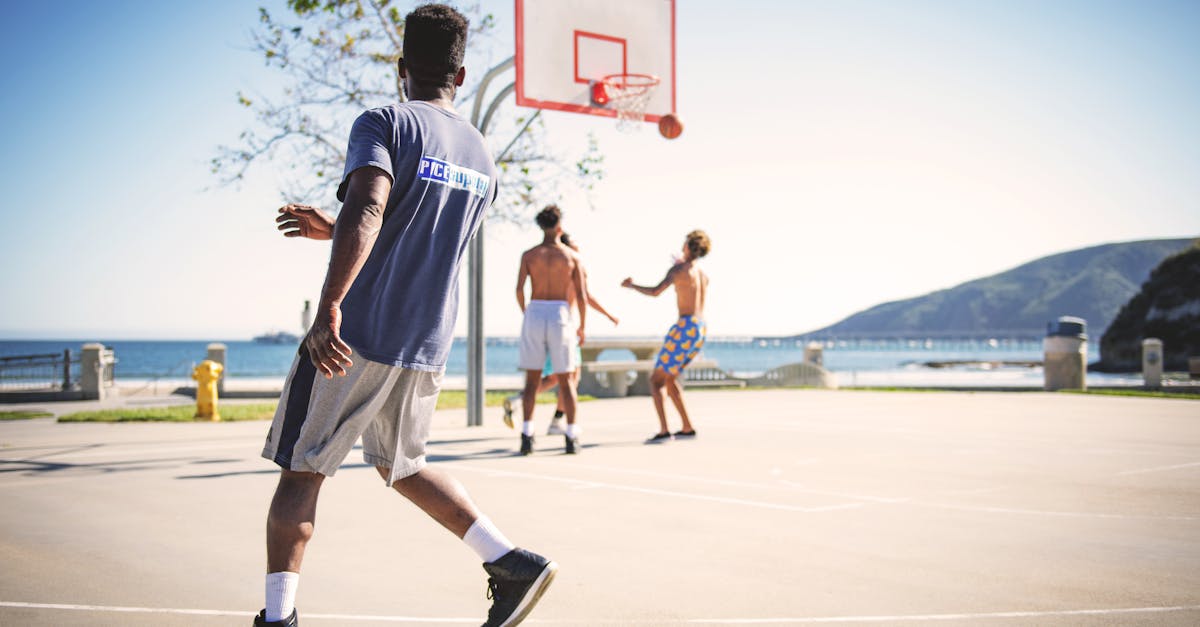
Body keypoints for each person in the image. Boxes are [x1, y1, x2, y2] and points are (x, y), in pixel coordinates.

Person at [260, 6, 556, 626]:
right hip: (424, 342)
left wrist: (330, 306)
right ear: (463, 72)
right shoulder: (482, 154)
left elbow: (371, 207)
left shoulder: (383, 121)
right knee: (403, 466)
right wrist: (334, 228)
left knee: (301, 470)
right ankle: (509, 563)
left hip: (358, 331)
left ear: (402, 68)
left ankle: (278, 617)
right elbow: (419, 232)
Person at [503, 232, 619, 435]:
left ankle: (541, 415)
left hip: (553, 325)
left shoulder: (558, 265)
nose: (578, 249)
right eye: (575, 245)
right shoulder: (571, 266)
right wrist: (604, 317)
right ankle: (539, 413)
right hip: (564, 328)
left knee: (561, 377)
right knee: (567, 378)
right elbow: (586, 297)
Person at [621, 230, 711, 442]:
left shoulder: (679, 269)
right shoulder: (703, 274)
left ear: (688, 246)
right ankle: (687, 426)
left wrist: (632, 286)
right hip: (699, 327)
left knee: (656, 380)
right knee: (669, 378)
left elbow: (655, 291)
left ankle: (663, 430)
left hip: (685, 325)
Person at [514, 206, 588, 455]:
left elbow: (519, 289)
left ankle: (527, 434)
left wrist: (528, 312)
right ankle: (571, 435)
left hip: (535, 310)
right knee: (567, 379)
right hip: (559, 312)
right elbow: (581, 295)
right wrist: (582, 326)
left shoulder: (529, 255)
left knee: (532, 379)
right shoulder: (571, 257)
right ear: (559, 226)